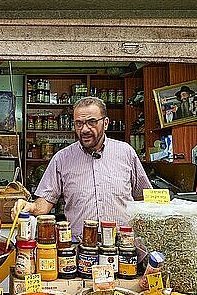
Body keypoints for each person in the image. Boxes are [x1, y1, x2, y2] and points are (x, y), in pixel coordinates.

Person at [12, 97, 151, 235]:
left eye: (92, 122)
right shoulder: (62, 158)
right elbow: (46, 201)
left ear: (106, 123)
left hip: (122, 245)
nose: (84, 129)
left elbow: (144, 198)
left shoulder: (125, 152)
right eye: (79, 123)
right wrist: (30, 206)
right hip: (79, 247)